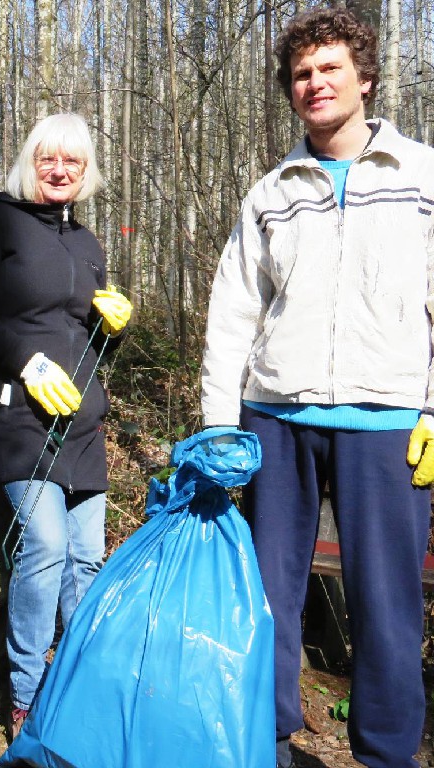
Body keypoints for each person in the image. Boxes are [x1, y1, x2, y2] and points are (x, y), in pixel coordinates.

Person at [201, 7, 434, 767]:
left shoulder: (422, 178)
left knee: (387, 608)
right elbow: (234, 311)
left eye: (330, 68)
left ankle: (386, 756)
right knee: (267, 600)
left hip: (389, 421)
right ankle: (261, 745)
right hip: (275, 418)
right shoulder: (271, 193)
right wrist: (217, 426)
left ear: (364, 78)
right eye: (302, 74)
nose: (315, 83)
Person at [0, 112, 131, 739]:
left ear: (86, 172)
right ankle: (26, 695)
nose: (59, 171)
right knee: (47, 544)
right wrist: (26, 361)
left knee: (85, 558)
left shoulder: (88, 242)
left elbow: (90, 343)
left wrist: (112, 329)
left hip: (80, 420)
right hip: (13, 411)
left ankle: (78, 688)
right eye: (49, 159)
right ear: (31, 162)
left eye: (72, 162)